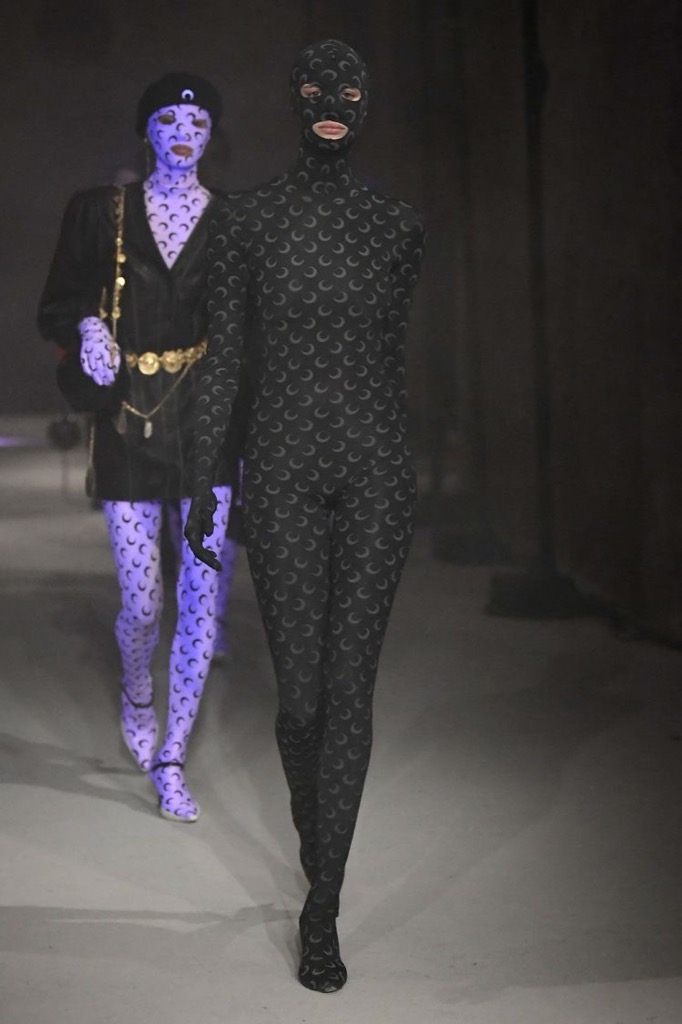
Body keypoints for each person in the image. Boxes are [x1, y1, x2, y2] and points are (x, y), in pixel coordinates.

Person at [185, 40, 426, 991]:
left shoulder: (397, 226)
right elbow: (225, 358)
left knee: (350, 695)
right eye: (317, 87)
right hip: (282, 469)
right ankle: (319, 849)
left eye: (351, 87)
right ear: (293, 99)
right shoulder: (246, 220)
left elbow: (392, 359)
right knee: (301, 706)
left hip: (377, 473)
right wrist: (205, 479)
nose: (333, 100)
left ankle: (320, 908)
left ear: (369, 102)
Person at [38, 72, 242, 823]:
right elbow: (57, 301)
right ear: (146, 130)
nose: (184, 132)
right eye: (168, 119)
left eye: (198, 121)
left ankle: (172, 756)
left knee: (199, 599)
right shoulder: (101, 212)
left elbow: (253, 327)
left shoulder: (233, 221)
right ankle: (135, 689)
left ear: (212, 134)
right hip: (127, 415)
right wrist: (89, 325)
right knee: (143, 602)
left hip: (206, 421)